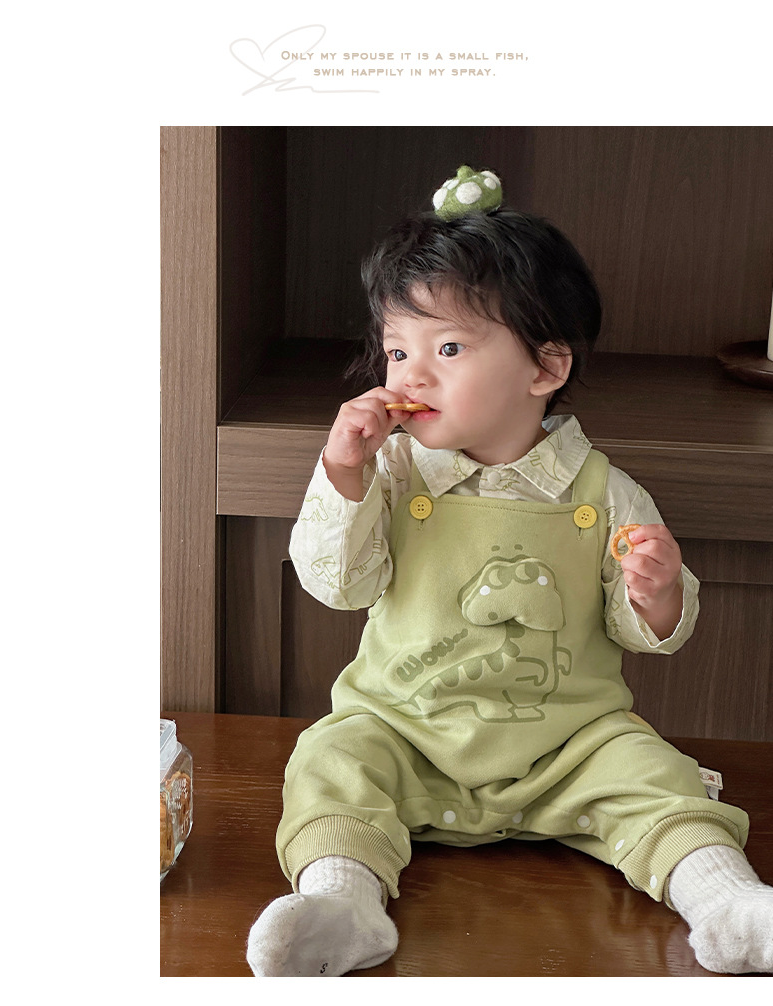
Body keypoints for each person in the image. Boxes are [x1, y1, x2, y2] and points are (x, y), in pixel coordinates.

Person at [246, 167, 773, 977]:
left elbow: (649, 635)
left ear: (544, 369)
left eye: (448, 348)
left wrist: (659, 591)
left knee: (656, 775)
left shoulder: (602, 490)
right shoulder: (392, 473)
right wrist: (344, 475)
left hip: (567, 744)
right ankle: (342, 905)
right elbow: (338, 586)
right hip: (406, 730)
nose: (409, 375)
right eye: (397, 349)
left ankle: (731, 905)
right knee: (332, 760)